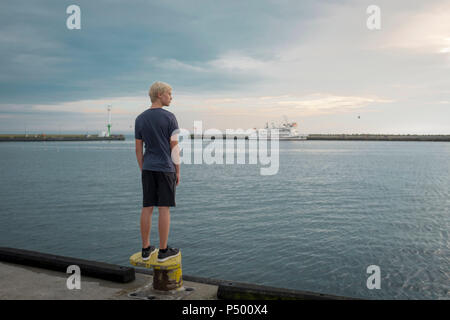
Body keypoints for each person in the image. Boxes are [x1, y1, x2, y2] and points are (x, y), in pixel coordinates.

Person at [135, 81, 180, 262]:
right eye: (170, 94)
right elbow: (174, 147)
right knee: (164, 209)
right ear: (160, 95)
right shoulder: (170, 118)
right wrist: (177, 170)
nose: (171, 97)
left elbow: (138, 149)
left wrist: (143, 168)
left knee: (147, 207)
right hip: (165, 169)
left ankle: (146, 249)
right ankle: (163, 251)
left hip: (148, 168)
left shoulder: (140, 118)